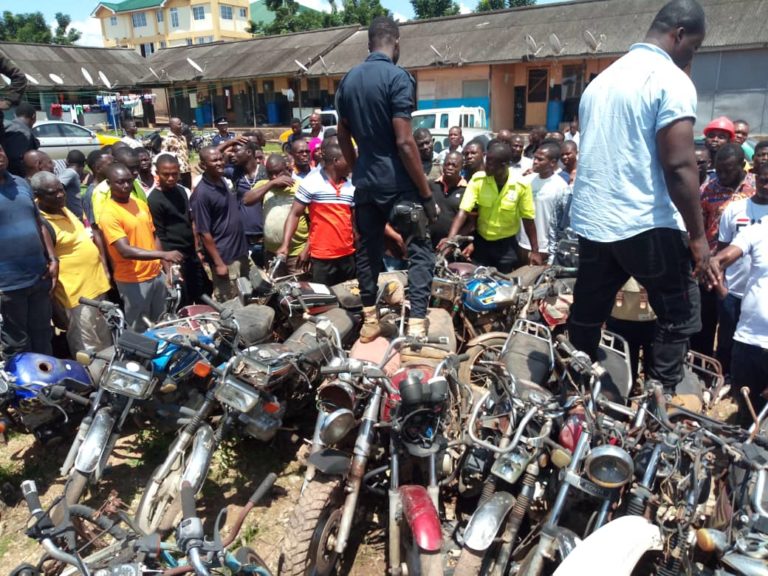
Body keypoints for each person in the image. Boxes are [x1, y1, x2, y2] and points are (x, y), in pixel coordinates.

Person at [567, 0, 709, 395]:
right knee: (681, 313)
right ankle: (657, 400)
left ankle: (578, 390)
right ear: (679, 35)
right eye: (693, 48)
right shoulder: (669, 80)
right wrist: (698, 238)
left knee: (587, 312)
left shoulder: (603, 80)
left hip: (595, 224)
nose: (690, 56)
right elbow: (680, 164)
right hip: (644, 221)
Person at [335, 16, 440, 341]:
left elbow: (342, 134)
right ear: (396, 43)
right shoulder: (398, 78)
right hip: (398, 187)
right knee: (421, 250)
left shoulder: (348, 81)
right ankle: (417, 325)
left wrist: (355, 169)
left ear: (369, 44)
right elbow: (405, 142)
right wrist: (425, 194)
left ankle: (370, 320)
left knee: (367, 253)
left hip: (365, 185)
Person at [707, 184, 768, 423]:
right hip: (748, 339)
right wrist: (716, 273)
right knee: (747, 412)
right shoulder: (757, 232)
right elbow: (723, 256)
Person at [32, 171, 111, 353]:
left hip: (97, 286)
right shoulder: (41, 223)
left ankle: (108, 379)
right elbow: (46, 267)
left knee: (105, 340)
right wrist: (55, 309)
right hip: (75, 297)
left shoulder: (63, 208)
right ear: (39, 197)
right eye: (52, 193)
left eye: (61, 190)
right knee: (87, 347)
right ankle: (90, 379)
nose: (60, 195)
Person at [100, 163, 182, 331]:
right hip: (133, 281)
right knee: (139, 330)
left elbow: (153, 236)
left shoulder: (139, 203)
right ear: (109, 184)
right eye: (120, 182)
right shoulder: (109, 213)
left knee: (161, 324)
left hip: (155, 275)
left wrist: (166, 269)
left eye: (129, 181)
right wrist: (164, 255)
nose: (125, 186)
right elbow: (125, 251)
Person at [440, 141, 541, 273]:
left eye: (490, 164)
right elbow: (463, 211)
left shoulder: (521, 185)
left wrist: (535, 251)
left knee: (503, 287)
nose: (485, 166)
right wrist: (450, 240)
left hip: (506, 247)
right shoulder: (478, 180)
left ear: (504, 165)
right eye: (486, 162)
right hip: (482, 244)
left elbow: (528, 219)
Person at [692, 143, 754, 357]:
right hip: (711, 265)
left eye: (728, 170)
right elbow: (697, 226)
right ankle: (704, 368)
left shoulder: (754, 188)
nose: (722, 175)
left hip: (745, 269)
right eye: (718, 170)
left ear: (741, 166)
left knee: (735, 322)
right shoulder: (707, 189)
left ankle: (730, 368)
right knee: (706, 320)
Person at [0, 144, 57, 356]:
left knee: (43, 333)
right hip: (8, 285)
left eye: (1, 150)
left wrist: (52, 259)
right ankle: (23, 388)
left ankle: (47, 384)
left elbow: (39, 222)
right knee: (17, 341)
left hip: (38, 277)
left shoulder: (21, 183)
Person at [715, 162, 768, 376]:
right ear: (756, 179)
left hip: (760, 299)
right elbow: (721, 251)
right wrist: (721, 289)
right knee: (728, 340)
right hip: (734, 291)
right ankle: (723, 378)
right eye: (764, 178)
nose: (767, 184)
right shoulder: (735, 209)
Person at [277, 144, 355, 285]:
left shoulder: (351, 186)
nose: (352, 163)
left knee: (348, 298)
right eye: (348, 159)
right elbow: (294, 214)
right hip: (321, 257)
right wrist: (285, 244)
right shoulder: (312, 182)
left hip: (348, 255)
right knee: (323, 302)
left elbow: (354, 221)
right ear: (336, 161)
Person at [148, 154, 210, 306]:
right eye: (166, 174)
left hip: (190, 254)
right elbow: (158, 235)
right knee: (183, 299)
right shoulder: (154, 199)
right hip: (173, 257)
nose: (170, 178)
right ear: (157, 173)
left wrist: (197, 250)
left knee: (204, 290)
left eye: (174, 174)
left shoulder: (182, 191)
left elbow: (190, 222)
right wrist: (168, 267)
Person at [191, 147, 250, 302]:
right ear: (203, 165)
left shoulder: (221, 180)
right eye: (214, 160)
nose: (220, 163)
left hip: (240, 251)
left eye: (220, 159)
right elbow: (203, 232)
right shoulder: (201, 194)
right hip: (225, 257)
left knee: (246, 295)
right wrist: (219, 263)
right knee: (230, 302)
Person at [517, 141, 570, 262]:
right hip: (522, 243)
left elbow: (561, 222)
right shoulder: (526, 181)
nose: (535, 162)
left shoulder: (560, 186)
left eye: (540, 159)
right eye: (535, 158)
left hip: (545, 248)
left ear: (552, 163)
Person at [258, 153, 309, 275]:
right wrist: (270, 184)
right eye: (270, 173)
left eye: (278, 172)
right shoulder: (264, 186)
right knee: (276, 289)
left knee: (300, 290)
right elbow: (246, 200)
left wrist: (307, 250)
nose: (274, 177)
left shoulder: (301, 189)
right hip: (271, 253)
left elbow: (315, 223)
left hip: (296, 254)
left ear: (287, 169)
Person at [223, 139, 267, 266]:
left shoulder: (266, 172)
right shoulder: (235, 173)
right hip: (243, 235)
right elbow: (206, 163)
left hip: (264, 237)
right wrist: (228, 143)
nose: (232, 155)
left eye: (236, 151)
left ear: (248, 152)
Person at [88, 147, 148, 227]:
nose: (136, 172)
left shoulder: (136, 183)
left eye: (137, 167)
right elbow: (101, 227)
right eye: (131, 168)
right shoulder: (102, 192)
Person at [429, 151, 468, 249]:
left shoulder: (467, 190)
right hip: (428, 244)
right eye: (447, 164)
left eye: (454, 165)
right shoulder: (431, 185)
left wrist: (452, 239)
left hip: (452, 246)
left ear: (461, 167)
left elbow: (471, 223)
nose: (450, 167)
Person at [3, 102, 39, 177]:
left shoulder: (7, 126)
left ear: (14, 115)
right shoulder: (23, 133)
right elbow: (16, 161)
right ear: (33, 116)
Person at [161, 117, 192, 189]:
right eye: (179, 124)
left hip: (187, 170)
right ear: (172, 126)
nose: (181, 125)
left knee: (188, 191)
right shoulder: (167, 139)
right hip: (177, 172)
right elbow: (164, 156)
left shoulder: (183, 138)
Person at [59, 150, 87, 220]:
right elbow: (58, 186)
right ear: (83, 165)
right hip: (73, 216)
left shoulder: (70, 173)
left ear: (67, 161)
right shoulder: (71, 172)